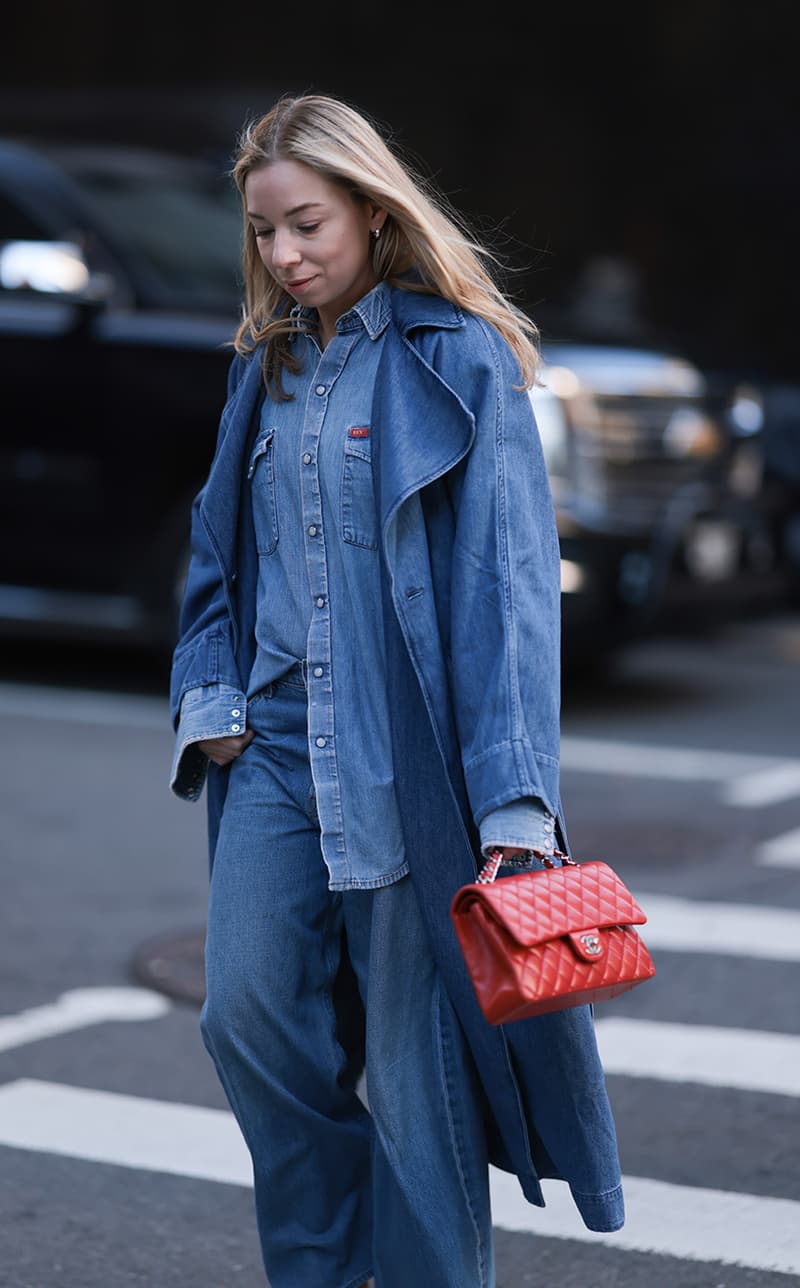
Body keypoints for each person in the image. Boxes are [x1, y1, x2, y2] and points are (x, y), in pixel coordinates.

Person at [169, 92, 624, 1288]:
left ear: (372, 208)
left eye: (306, 224)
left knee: (424, 1097)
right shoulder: (262, 370)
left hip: (407, 768)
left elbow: (509, 593)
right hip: (267, 752)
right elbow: (215, 554)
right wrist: (207, 697)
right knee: (247, 1016)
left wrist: (517, 812)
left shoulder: (457, 362)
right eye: (263, 233)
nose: (284, 255)